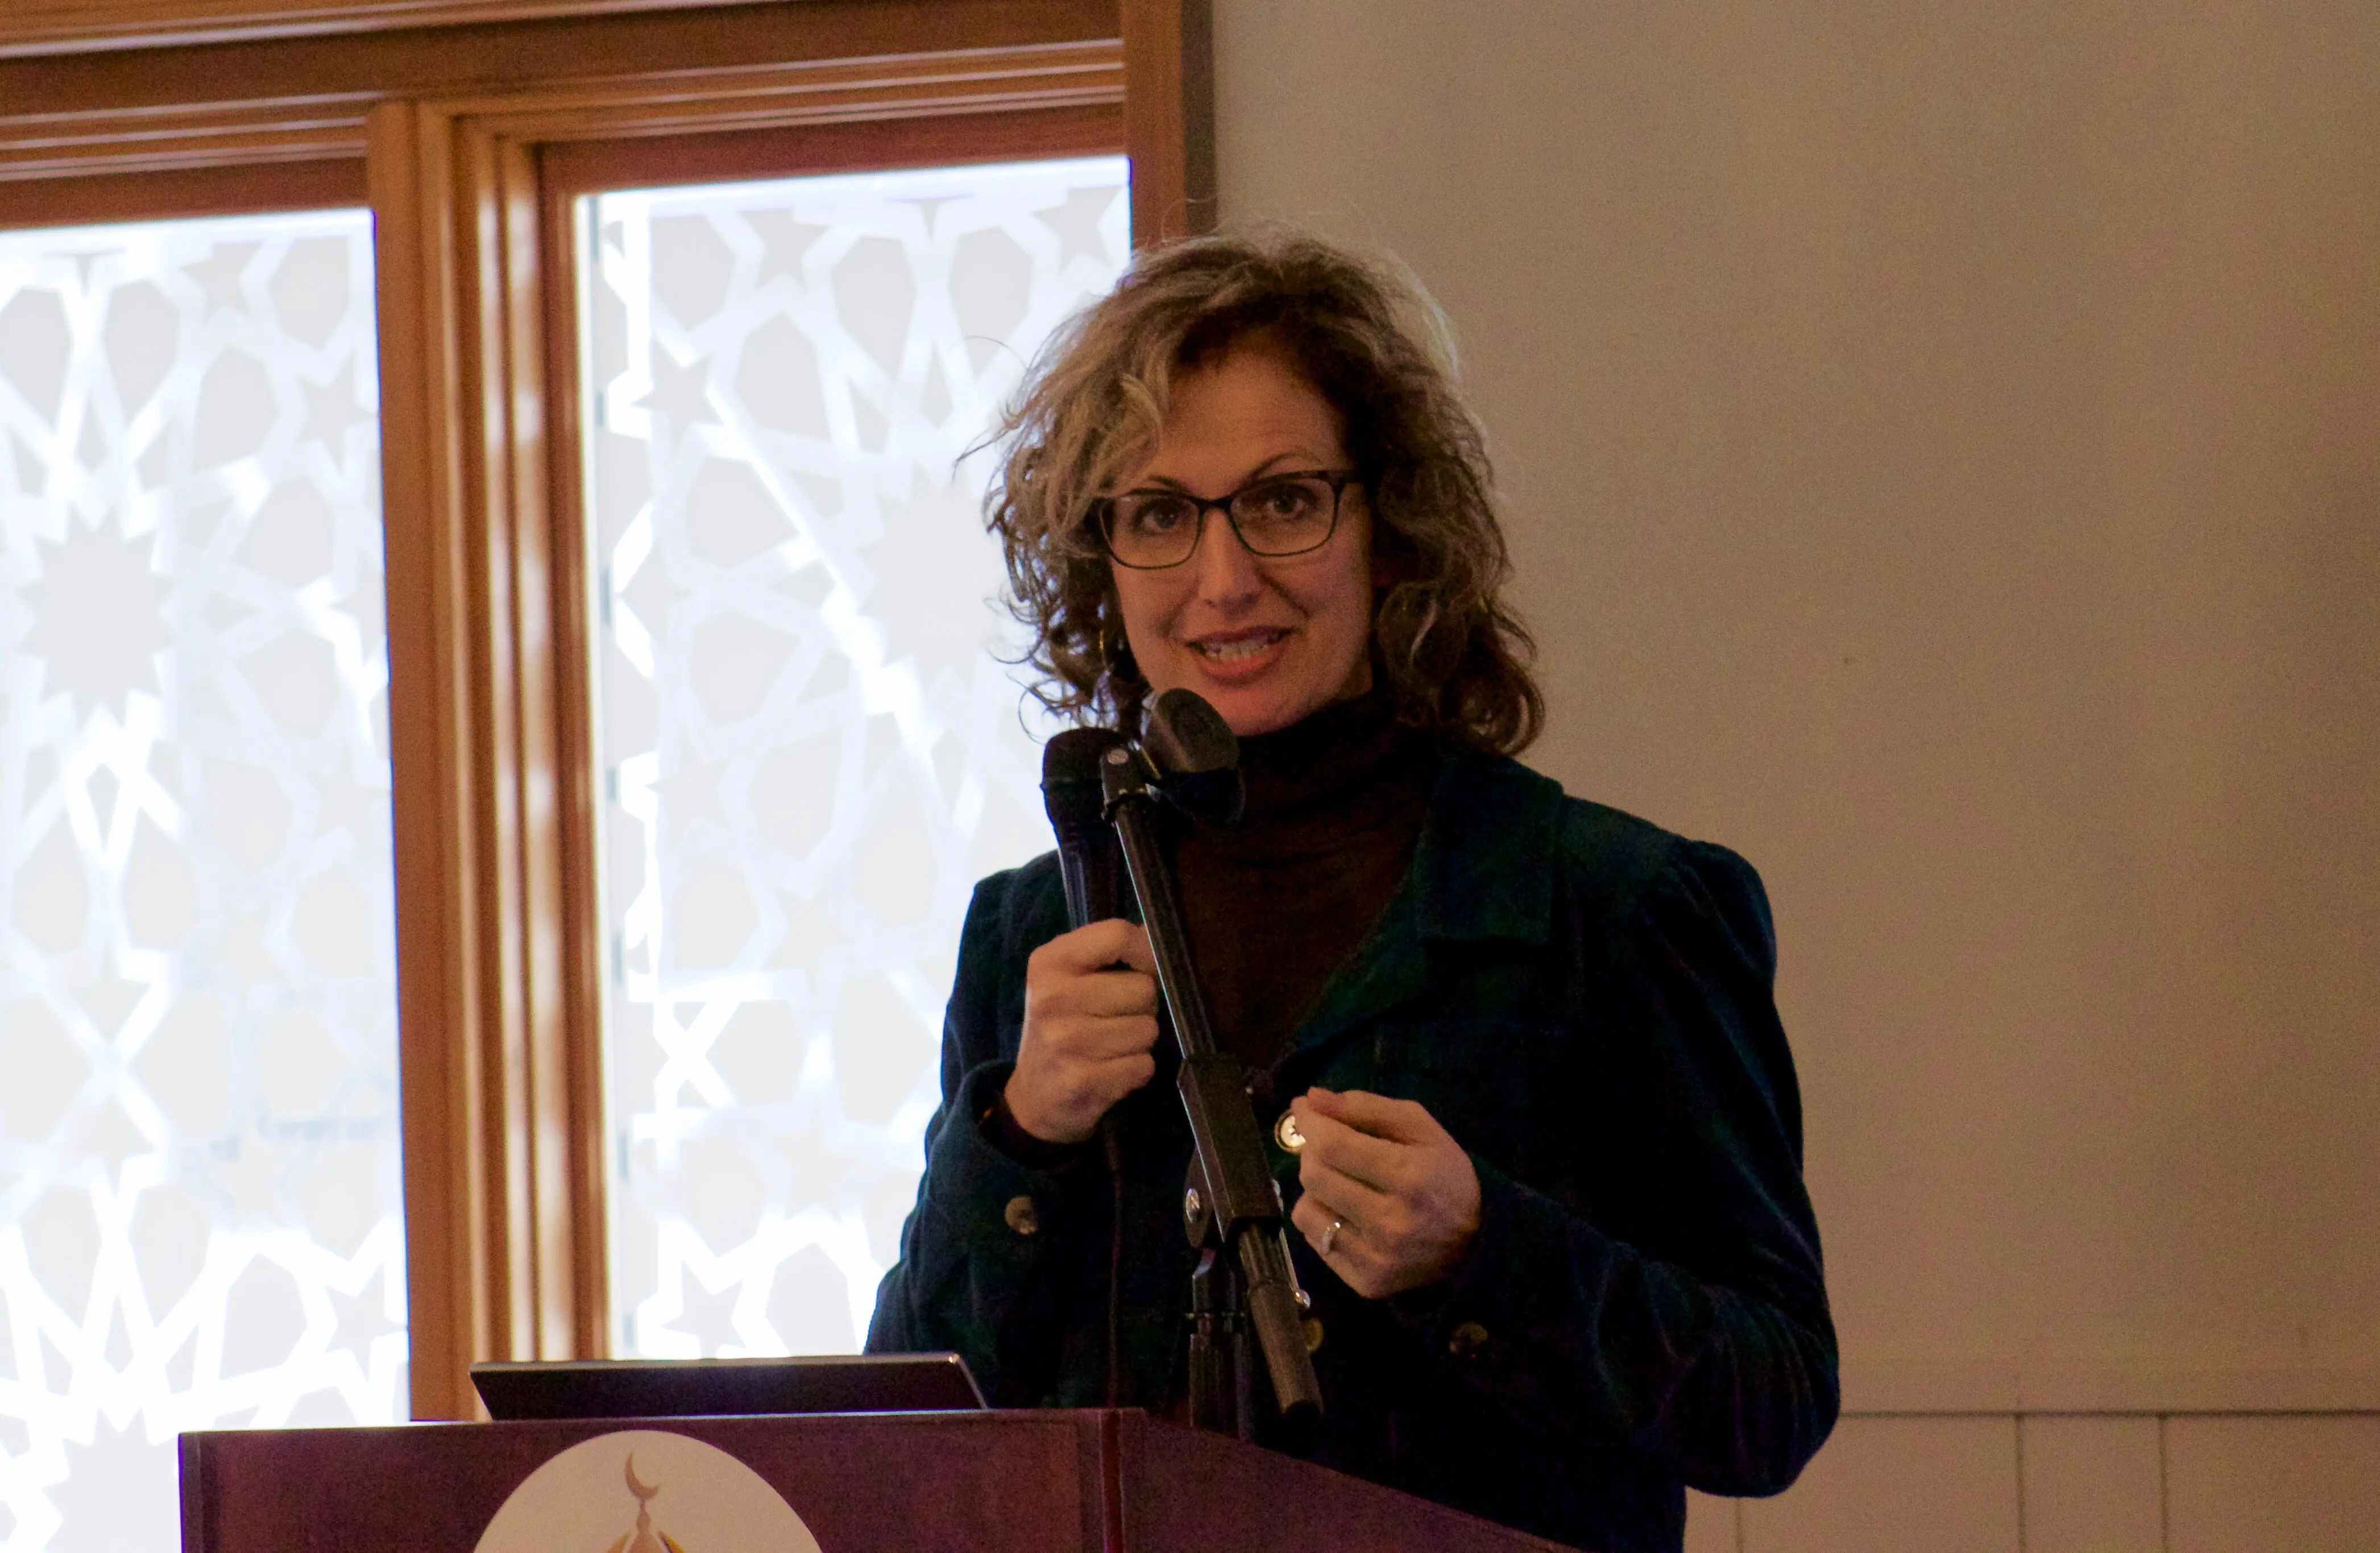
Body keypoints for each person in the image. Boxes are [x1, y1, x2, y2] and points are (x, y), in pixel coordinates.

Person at [865, 229, 1836, 1553]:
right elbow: (909, 1417)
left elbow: (1770, 1399)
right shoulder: (1031, 929)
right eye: (1158, 515)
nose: (1222, 579)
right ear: (1101, 557)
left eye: (1281, 500)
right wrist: (1019, 1134)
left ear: (1390, 529)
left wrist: (1485, 1254)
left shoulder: (1611, 902)